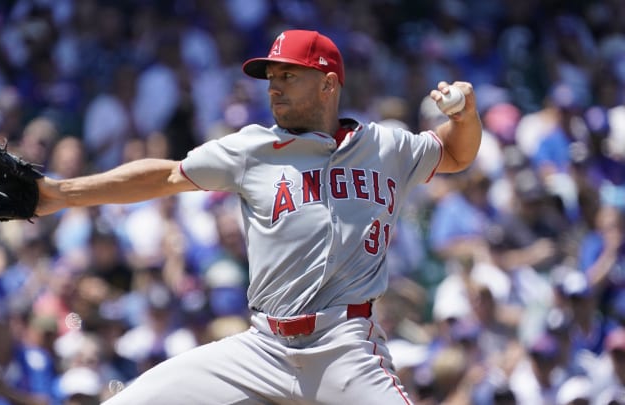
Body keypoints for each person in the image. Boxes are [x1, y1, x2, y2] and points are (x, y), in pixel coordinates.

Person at [35, 29, 482, 404]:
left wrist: (466, 113)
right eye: (271, 76)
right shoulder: (252, 148)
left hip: (344, 347)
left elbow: (458, 153)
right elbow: (167, 176)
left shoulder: (387, 147)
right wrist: (62, 192)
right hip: (261, 348)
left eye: (288, 75)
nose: (274, 86)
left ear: (328, 85)